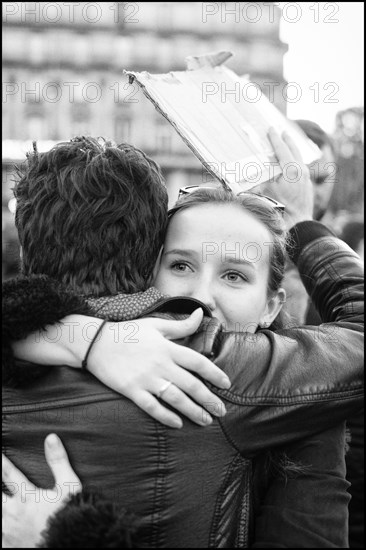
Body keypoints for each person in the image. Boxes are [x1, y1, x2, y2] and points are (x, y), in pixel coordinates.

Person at [2, 133, 363, 547]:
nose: (202, 295)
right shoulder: (217, 368)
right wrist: (303, 222)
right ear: (148, 263)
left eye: (234, 275)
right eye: (180, 265)